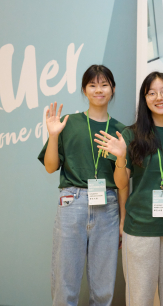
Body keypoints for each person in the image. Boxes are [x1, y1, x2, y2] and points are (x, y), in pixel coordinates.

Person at [94, 72, 163, 305]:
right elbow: (121, 183)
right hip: (139, 229)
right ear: (144, 98)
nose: (159, 97)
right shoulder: (131, 135)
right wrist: (120, 158)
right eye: (152, 92)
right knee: (139, 299)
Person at [38, 65, 127, 306]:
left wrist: (122, 218)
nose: (99, 90)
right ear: (84, 90)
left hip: (107, 206)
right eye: (92, 85)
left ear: (113, 89)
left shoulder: (121, 131)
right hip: (71, 201)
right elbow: (50, 166)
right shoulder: (70, 123)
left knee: (103, 286)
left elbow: (122, 183)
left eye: (104, 84)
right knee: (64, 282)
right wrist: (54, 135)